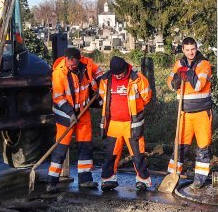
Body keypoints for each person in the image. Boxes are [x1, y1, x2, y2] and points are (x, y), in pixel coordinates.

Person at [48, 47, 100, 193]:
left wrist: (100, 84)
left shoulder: (87, 64)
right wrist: (70, 113)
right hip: (65, 115)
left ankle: (85, 180)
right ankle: (52, 181)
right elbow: (58, 97)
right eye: (68, 61)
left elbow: (99, 72)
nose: (71, 65)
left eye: (74, 62)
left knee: (85, 146)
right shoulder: (59, 73)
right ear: (65, 59)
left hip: (83, 112)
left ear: (79, 59)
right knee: (61, 148)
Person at [98, 56, 153, 191]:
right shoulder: (105, 79)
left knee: (137, 154)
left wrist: (136, 110)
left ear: (126, 69)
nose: (118, 76)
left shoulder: (137, 79)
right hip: (113, 123)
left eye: (120, 74)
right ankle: (108, 179)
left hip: (132, 123)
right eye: (115, 74)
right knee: (111, 154)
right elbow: (102, 96)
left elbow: (147, 97)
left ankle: (143, 180)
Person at [168, 37, 213, 188]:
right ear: (183, 50)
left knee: (203, 146)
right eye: (187, 50)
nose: (190, 52)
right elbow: (170, 84)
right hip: (185, 112)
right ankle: (172, 175)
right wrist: (176, 77)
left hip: (201, 113)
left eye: (193, 49)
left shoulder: (204, 64)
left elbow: (199, 85)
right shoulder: (178, 64)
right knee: (180, 145)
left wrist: (188, 73)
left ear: (196, 47)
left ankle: (199, 179)